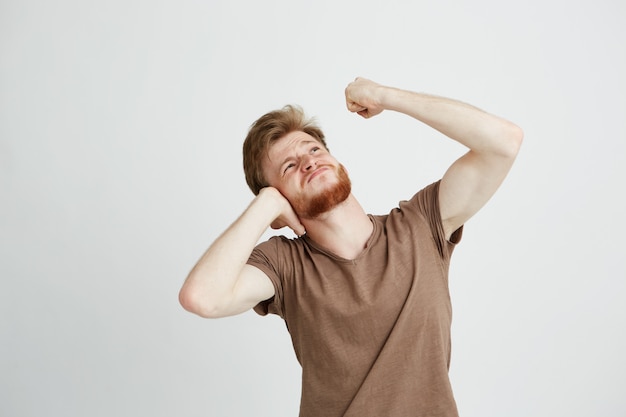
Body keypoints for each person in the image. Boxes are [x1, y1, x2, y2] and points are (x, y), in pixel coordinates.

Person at [179, 77, 523, 416]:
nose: (309, 162)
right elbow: (201, 297)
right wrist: (266, 204)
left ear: (338, 162)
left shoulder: (420, 225)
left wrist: (386, 96)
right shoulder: (285, 264)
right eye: (289, 167)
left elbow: (504, 142)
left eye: (314, 150)